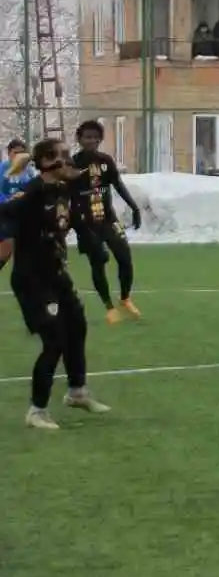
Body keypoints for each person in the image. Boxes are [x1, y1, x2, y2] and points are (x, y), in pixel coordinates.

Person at [2, 139, 111, 429]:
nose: (69, 160)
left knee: (77, 325)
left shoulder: (62, 189)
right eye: (63, 155)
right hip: (32, 282)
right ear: (49, 161)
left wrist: (93, 243)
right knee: (54, 341)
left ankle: (77, 392)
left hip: (57, 275)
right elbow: (6, 223)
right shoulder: (31, 195)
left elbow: (71, 220)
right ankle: (36, 411)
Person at [69, 120, 143, 324]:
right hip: (86, 224)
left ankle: (125, 298)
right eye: (87, 137)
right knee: (98, 263)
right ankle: (109, 307)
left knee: (125, 259)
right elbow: (66, 197)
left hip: (108, 220)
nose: (92, 141)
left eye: (95, 137)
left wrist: (134, 207)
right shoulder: (72, 165)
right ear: (79, 139)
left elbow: (118, 184)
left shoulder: (106, 161)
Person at [0, 138, 37, 274]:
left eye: (22, 153)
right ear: (9, 154)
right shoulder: (3, 168)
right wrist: (9, 200)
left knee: (23, 251)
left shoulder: (28, 171)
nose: (18, 156)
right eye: (15, 153)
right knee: (7, 250)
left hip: (22, 214)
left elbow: (33, 190)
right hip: (5, 214)